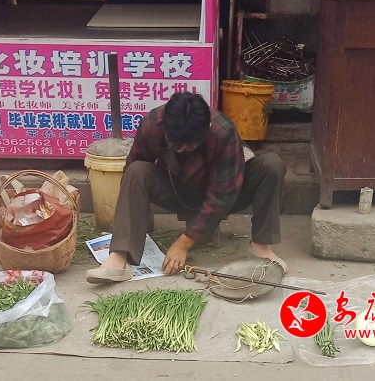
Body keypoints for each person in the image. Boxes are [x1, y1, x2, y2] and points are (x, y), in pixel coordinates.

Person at [86, 92, 287, 284]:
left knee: (271, 165)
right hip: (177, 190)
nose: (182, 150)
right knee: (135, 171)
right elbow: (132, 170)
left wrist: (183, 243)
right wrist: (136, 218)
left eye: (189, 146)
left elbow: (222, 195)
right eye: (176, 145)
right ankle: (119, 256)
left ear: (206, 129)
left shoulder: (223, 132)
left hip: (224, 195)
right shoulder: (152, 124)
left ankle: (260, 246)